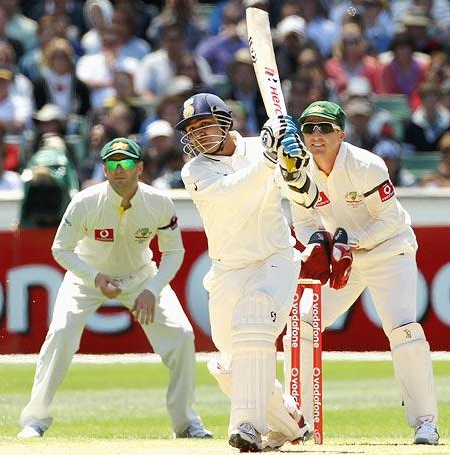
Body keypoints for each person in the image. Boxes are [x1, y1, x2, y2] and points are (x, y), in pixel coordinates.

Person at [18, 137, 212, 440]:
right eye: (112, 163)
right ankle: (35, 420)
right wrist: (94, 277)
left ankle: (186, 423)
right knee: (61, 333)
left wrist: (153, 289)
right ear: (105, 169)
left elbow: (174, 252)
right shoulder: (85, 201)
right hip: (87, 279)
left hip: (142, 277)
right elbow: (61, 249)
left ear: (140, 168)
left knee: (182, 336)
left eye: (126, 163)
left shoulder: (159, 202)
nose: (119, 169)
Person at [286, 100, 440, 445]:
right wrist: (319, 246)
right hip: (345, 255)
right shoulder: (298, 170)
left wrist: (348, 243)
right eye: (309, 128)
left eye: (324, 128)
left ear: (341, 133)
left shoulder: (367, 165)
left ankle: (426, 423)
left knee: (403, 330)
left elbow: (389, 219)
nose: (316, 135)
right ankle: (298, 420)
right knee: (303, 324)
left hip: (388, 250)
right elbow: (304, 220)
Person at [175, 93, 315, 452]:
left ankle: (247, 427)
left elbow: (302, 192)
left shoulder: (260, 147)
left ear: (225, 121)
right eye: (192, 129)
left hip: (275, 257)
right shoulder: (194, 170)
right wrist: (270, 160)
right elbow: (233, 194)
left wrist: (295, 162)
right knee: (231, 366)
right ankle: (290, 424)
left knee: (254, 322)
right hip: (228, 269)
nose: (199, 135)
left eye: (205, 124)